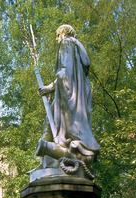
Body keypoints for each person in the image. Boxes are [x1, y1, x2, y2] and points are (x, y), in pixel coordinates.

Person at [37, 24, 100, 162]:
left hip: (68, 94)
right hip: (80, 96)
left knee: (51, 120)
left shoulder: (66, 43)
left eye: (57, 35)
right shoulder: (78, 47)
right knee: (50, 120)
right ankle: (46, 161)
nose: (56, 39)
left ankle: (47, 159)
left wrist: (50, 87)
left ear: (63, 33)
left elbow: (65, 71)